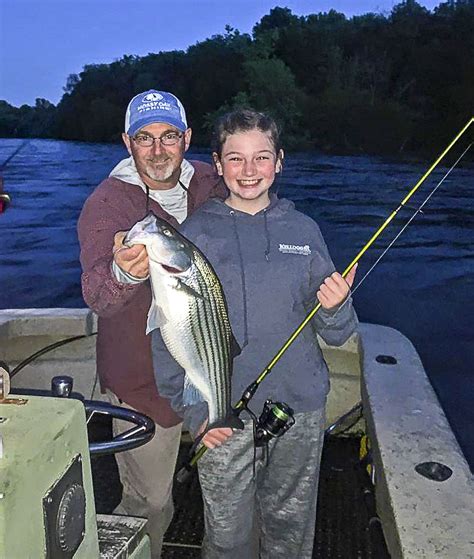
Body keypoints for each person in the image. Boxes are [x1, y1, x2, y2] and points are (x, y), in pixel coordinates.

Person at [151, 108, 359, 558]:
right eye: (236, 159)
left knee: (289, 528)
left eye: (261, 158)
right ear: (218, 163)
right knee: (227, 535)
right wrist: (195, 415)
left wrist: (337, 306)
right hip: (223, 415)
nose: (249, 171)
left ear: (279, 161)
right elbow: (169, 337)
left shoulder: (304, 232)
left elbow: (339, 334)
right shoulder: (193, 236)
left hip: (298, 409)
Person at [77, 89, 226, 558]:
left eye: (168, 136)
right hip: (141, 382)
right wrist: (124, 273)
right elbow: (99, 297)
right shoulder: (106, 205)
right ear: (127, 141)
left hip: (212, 365)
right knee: (150, 502)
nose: (158, 150)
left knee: (230, 498)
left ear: (187, 138)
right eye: (145, 137)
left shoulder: (214, 182)